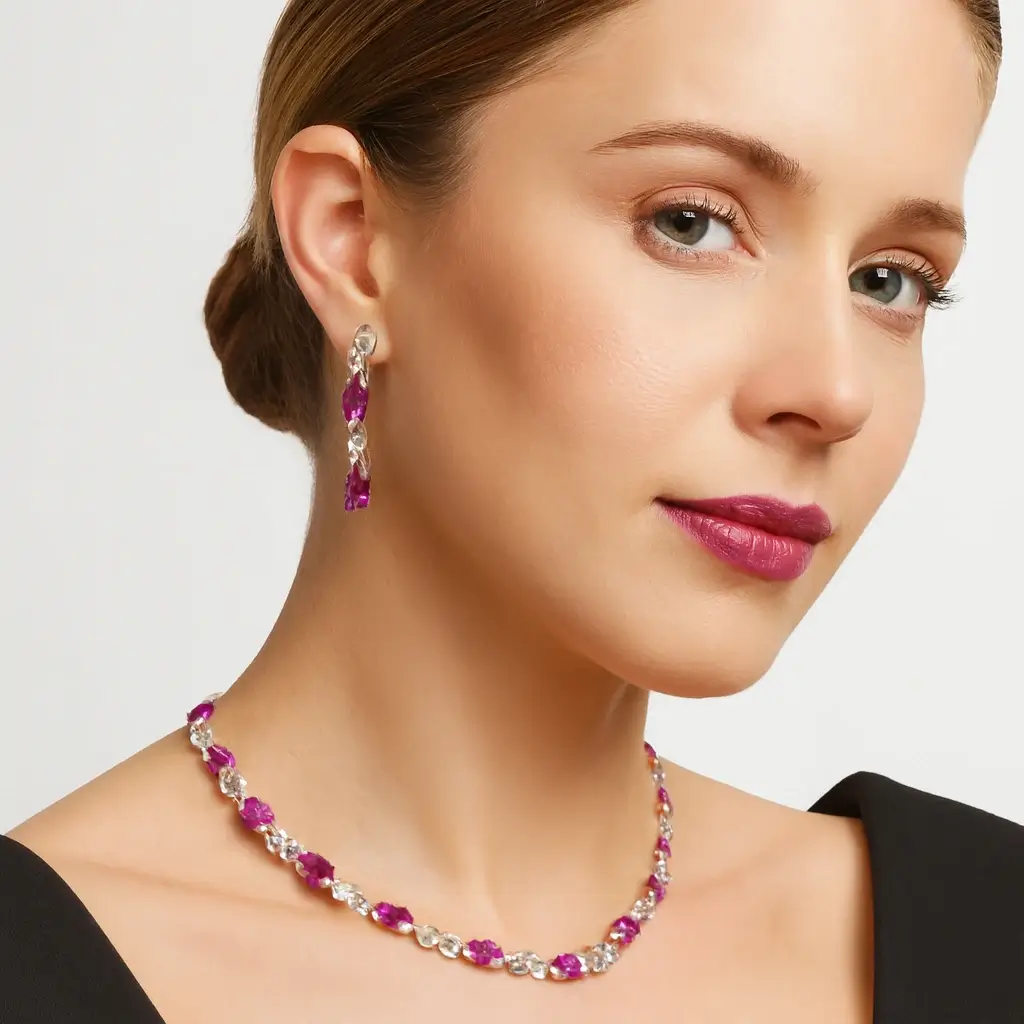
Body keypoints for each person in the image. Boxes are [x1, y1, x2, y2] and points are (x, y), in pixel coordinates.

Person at [2, 0, 1020, 1019]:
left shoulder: (990, 932)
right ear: (353, 240)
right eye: (690, 222)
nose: (836, 392)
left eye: (890, 280)